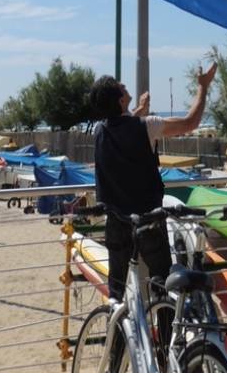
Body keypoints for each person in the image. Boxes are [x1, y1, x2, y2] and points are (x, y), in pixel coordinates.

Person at [89, 62, 217, 299]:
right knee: (161, 283)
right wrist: (203, 86)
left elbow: (122, 125)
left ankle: (117, 333)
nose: (125, 85)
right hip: (147, 218)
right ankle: (165, 331)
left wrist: (139, 109)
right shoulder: (147, 126)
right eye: (121, 86)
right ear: (119, 100)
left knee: (116, 289)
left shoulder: (100, 131)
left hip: (116, 221)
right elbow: (190, 123)